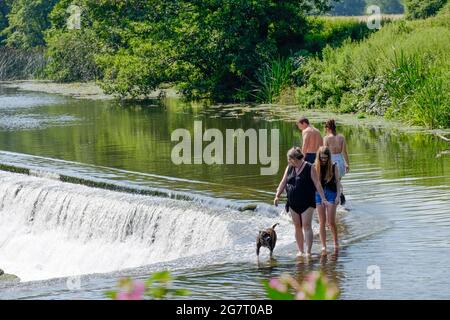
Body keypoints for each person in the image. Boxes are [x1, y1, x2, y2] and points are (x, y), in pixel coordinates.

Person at [274, 147, 328, 257]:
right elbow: (283, 182)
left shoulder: (309, 167)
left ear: (295, 159)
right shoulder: (289, 168)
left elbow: (317, 183)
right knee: (297, 226)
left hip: (307, 202)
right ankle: (300, 251)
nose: (288, 161)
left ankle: (308, 252)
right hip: (293, 203)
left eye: (290, 159)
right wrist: (277, 196)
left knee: (307, 226)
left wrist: (323, 198)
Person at [314, 146, 341, 255]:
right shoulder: (315, 166)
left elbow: (338, 182)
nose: (323, 160)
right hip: (318, 194)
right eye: (321, 158)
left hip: (331, 193)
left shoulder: (334, 166)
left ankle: (336, 243)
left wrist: (338, 196)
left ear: (329, 157)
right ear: (318, 157)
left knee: (331, 221)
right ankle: (324, 246)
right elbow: (314, 183)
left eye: (325, 158)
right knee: (322, 222)